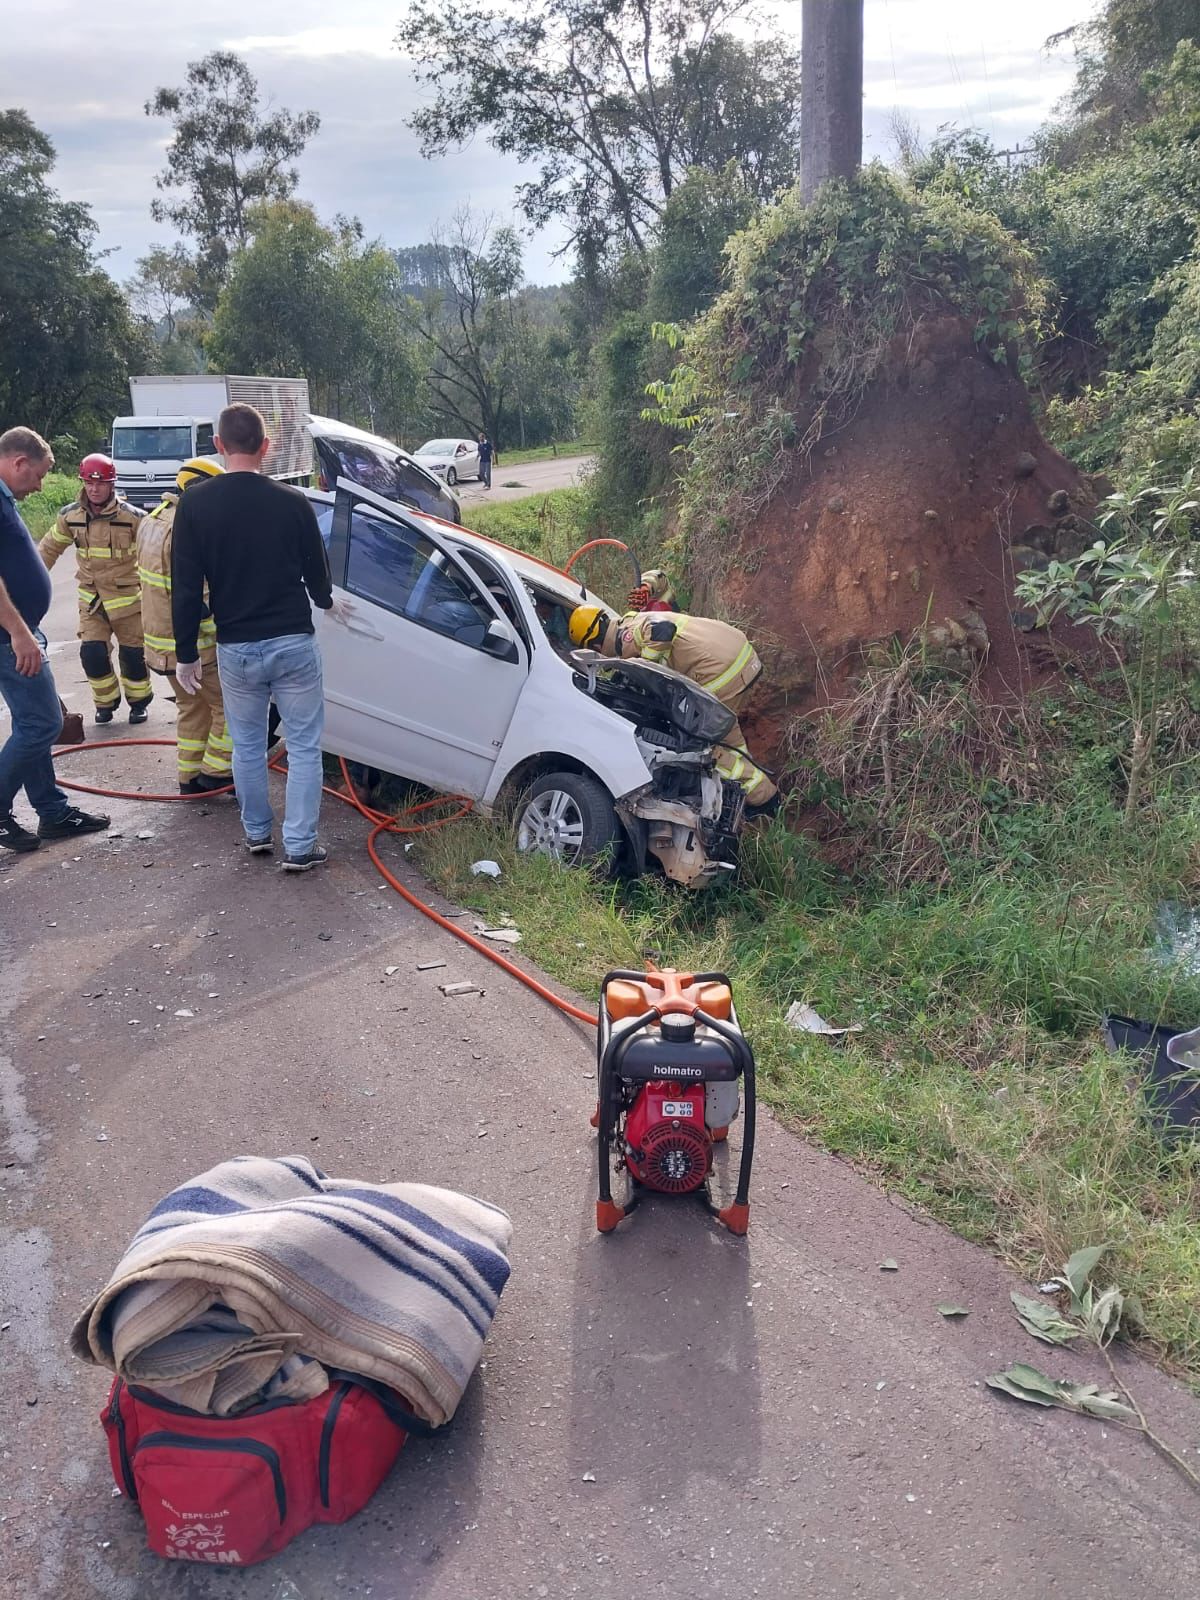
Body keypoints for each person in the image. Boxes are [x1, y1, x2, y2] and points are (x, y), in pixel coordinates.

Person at [171, 402, 337, 871]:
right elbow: (318, 578)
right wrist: (326, 602)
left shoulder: (195, 505)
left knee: (246, 745)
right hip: (292, 642)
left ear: (219, 446)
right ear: (266, 447)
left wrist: (186, 655)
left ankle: (257, 834)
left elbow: (185, 588)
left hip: (236, 646)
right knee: (304, 746)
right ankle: (301, 847)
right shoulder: (293, 502)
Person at [0, 427, 110, 852]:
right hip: (11, 637)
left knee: (34, 722)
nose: (41, 485)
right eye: (39, 475)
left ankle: (52, 811)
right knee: (42, 723)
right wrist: (19, 631)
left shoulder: (6, 499)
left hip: (20, 630)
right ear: (18, 463)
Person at [568, 602, 779, 813]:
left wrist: (645, 666)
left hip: (722, 675)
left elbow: (663, 630)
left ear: (594, 646)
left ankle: (764, 800)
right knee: (729, 740)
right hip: (741, 657)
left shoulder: (627, 635)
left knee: (705, 748)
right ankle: (756, 787)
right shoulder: (633, 620)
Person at [137, 457, 233, 795]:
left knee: (192, 708)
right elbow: (197, 592)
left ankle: (189, 778)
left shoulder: (151, 520)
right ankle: (217, 773)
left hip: (158, 646)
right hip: (195, 646)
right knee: (229, 707)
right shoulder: (189, 526)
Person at [39, 454, 152, 724]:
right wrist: (29, 581)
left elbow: (156, 553)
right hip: (93, 602)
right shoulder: (70, 517)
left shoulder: (134, 518)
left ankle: (138, 703)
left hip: (128, 602)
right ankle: (105, 704)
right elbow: (47, 550)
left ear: (112, 484)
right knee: (92, 653)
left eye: (100, 484)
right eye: (89, 483)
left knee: (134, 657)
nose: (94, 489)